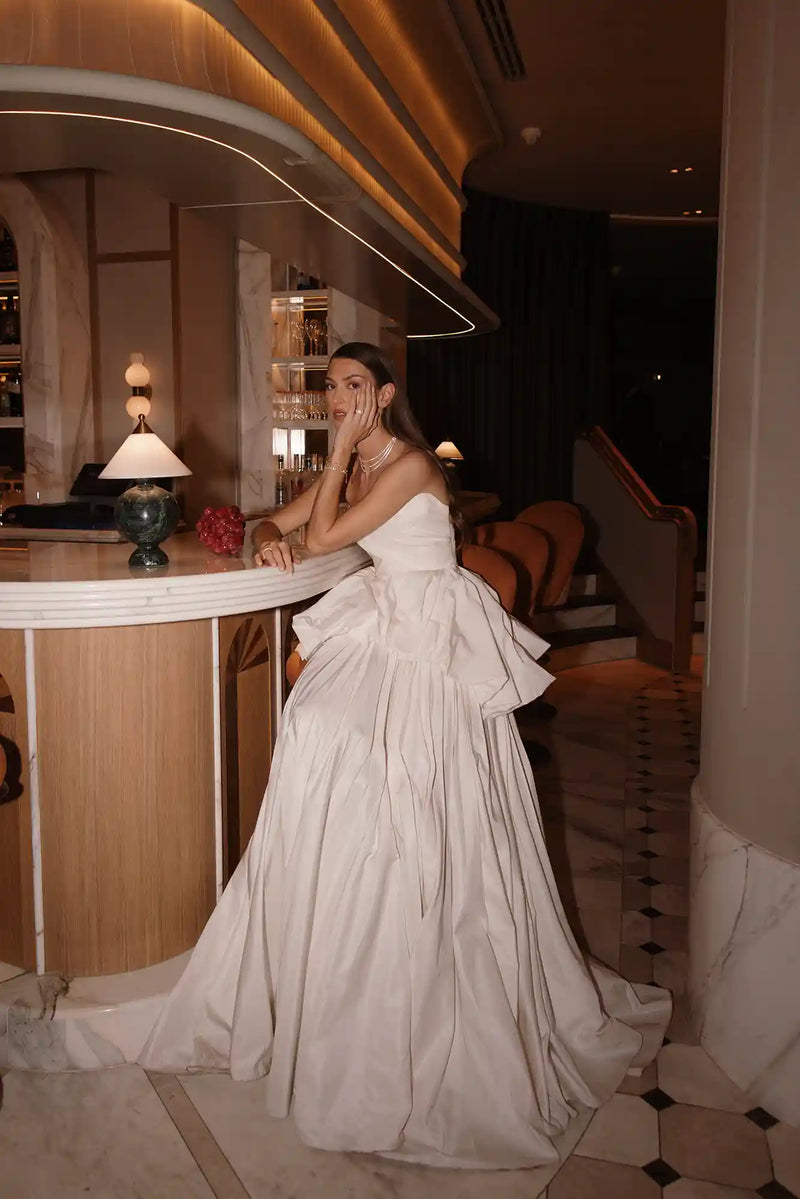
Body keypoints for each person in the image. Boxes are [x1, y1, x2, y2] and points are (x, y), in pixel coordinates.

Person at [139, 342, 670, 1169]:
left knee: (412, 795)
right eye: (331, 388)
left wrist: (331, 469)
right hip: (383, 623)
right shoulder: (357, 464)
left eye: (355, 387)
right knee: (317, 730)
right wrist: (262, 541)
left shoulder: (410, 464)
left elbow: (321, 537)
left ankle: (424, 982)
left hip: (428, 643)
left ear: (383, 393)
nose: (340, 398)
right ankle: (321, 951)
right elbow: (278, 526)